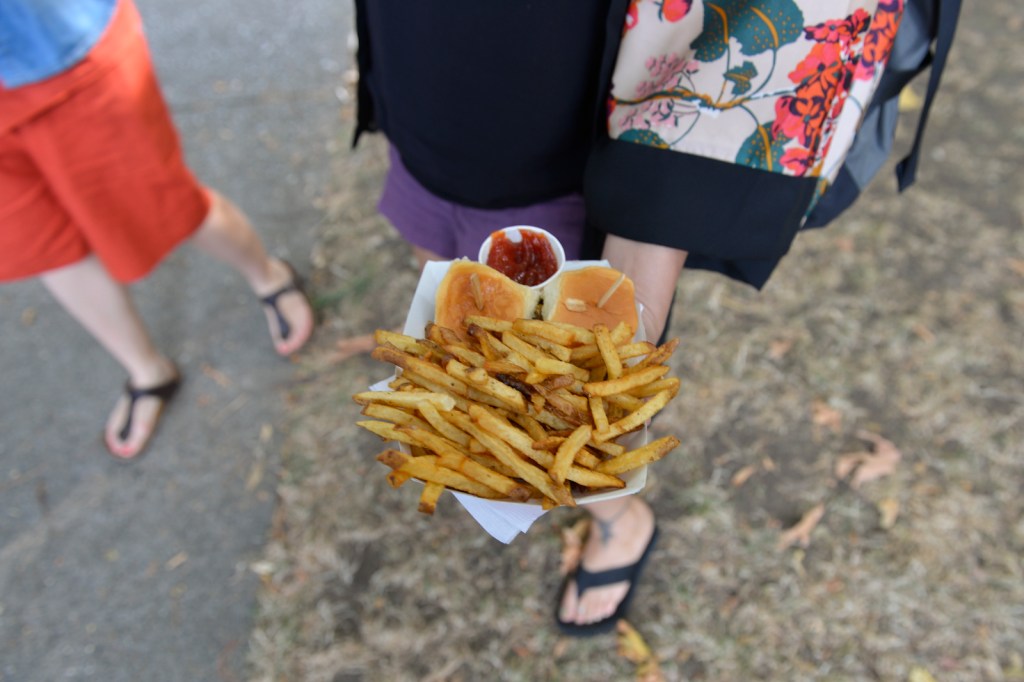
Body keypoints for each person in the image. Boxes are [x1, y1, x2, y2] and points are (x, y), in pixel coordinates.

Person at [352, 0, 958, 635]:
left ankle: (620, 519)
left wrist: (656, 219)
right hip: (421, 94)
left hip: (584, 126)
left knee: (594, 401)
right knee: (445, 291)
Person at [0, 0, 315, 460]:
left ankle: (268, 275)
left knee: (167, 205)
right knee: (45, 247)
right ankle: (146, 369)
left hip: (58, 50)